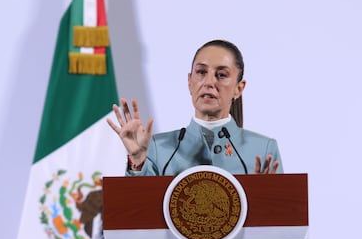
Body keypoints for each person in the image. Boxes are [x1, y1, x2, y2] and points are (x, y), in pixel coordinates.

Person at [107, 39, 283, 176]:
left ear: (239, 88)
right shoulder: (158, 148)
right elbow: (138, 212)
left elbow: (279, 216)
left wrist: (264, 192)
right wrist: (137, 161)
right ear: (190, 82)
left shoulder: (263, 149)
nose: (209, 82)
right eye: (201, 72)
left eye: (221, 75)